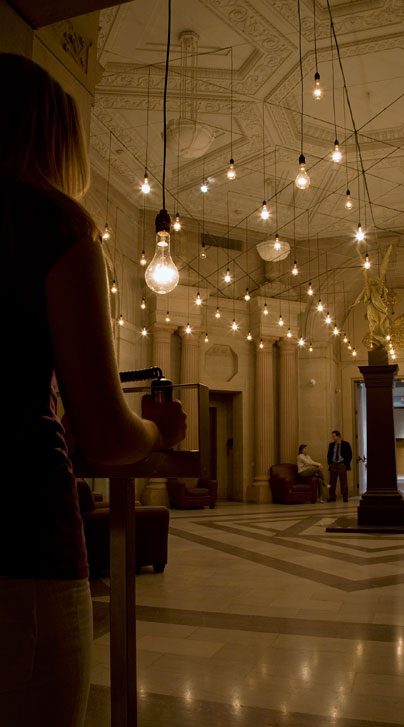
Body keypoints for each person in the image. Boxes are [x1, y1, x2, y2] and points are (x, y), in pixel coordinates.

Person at [0, 54, 186, 727]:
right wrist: (161, 429)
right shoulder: (54, 225)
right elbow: (106, 436)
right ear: (54, 137)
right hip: (23, 542)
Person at [327, 430, 352, 502]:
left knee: (343, 482)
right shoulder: (331, 445)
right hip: (333, 465)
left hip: (342, 465)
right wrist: (330, 464)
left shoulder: (346, 444)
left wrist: (345, 463)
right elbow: (329, 455)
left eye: (334, 436)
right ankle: (332, 497)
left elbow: (349, 455)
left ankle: (345, 497)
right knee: (332, 482)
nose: (333, 438)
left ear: (338, 436)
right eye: (332, 436)